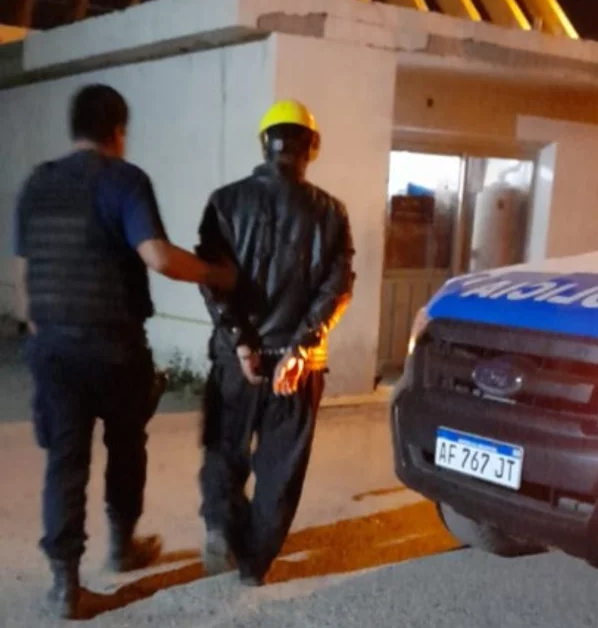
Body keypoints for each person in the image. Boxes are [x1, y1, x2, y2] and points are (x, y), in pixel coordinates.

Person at [13, 84, 236, 619]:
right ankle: (121, 545)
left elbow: (24, 284)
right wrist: (217, 274)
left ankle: (65, 584)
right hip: (113, 348)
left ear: (74, 128)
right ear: (118, 131)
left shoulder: (37, 184)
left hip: (54, 348)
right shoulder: (124, 180)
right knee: (126, 445)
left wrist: (46, 335)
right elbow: (157, 256)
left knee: (65, 461)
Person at [196, 99, 355, 586]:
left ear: (264, 145)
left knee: (224, 449)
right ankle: (254, 563)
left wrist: (242, 342)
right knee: (281, 469)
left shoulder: (225, 202)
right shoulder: (331, 212)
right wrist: (301, 346)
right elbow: (337, 288)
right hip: (298, 368)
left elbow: (212, 281)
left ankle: (222, 527)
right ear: (312, 148)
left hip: (236, 362)